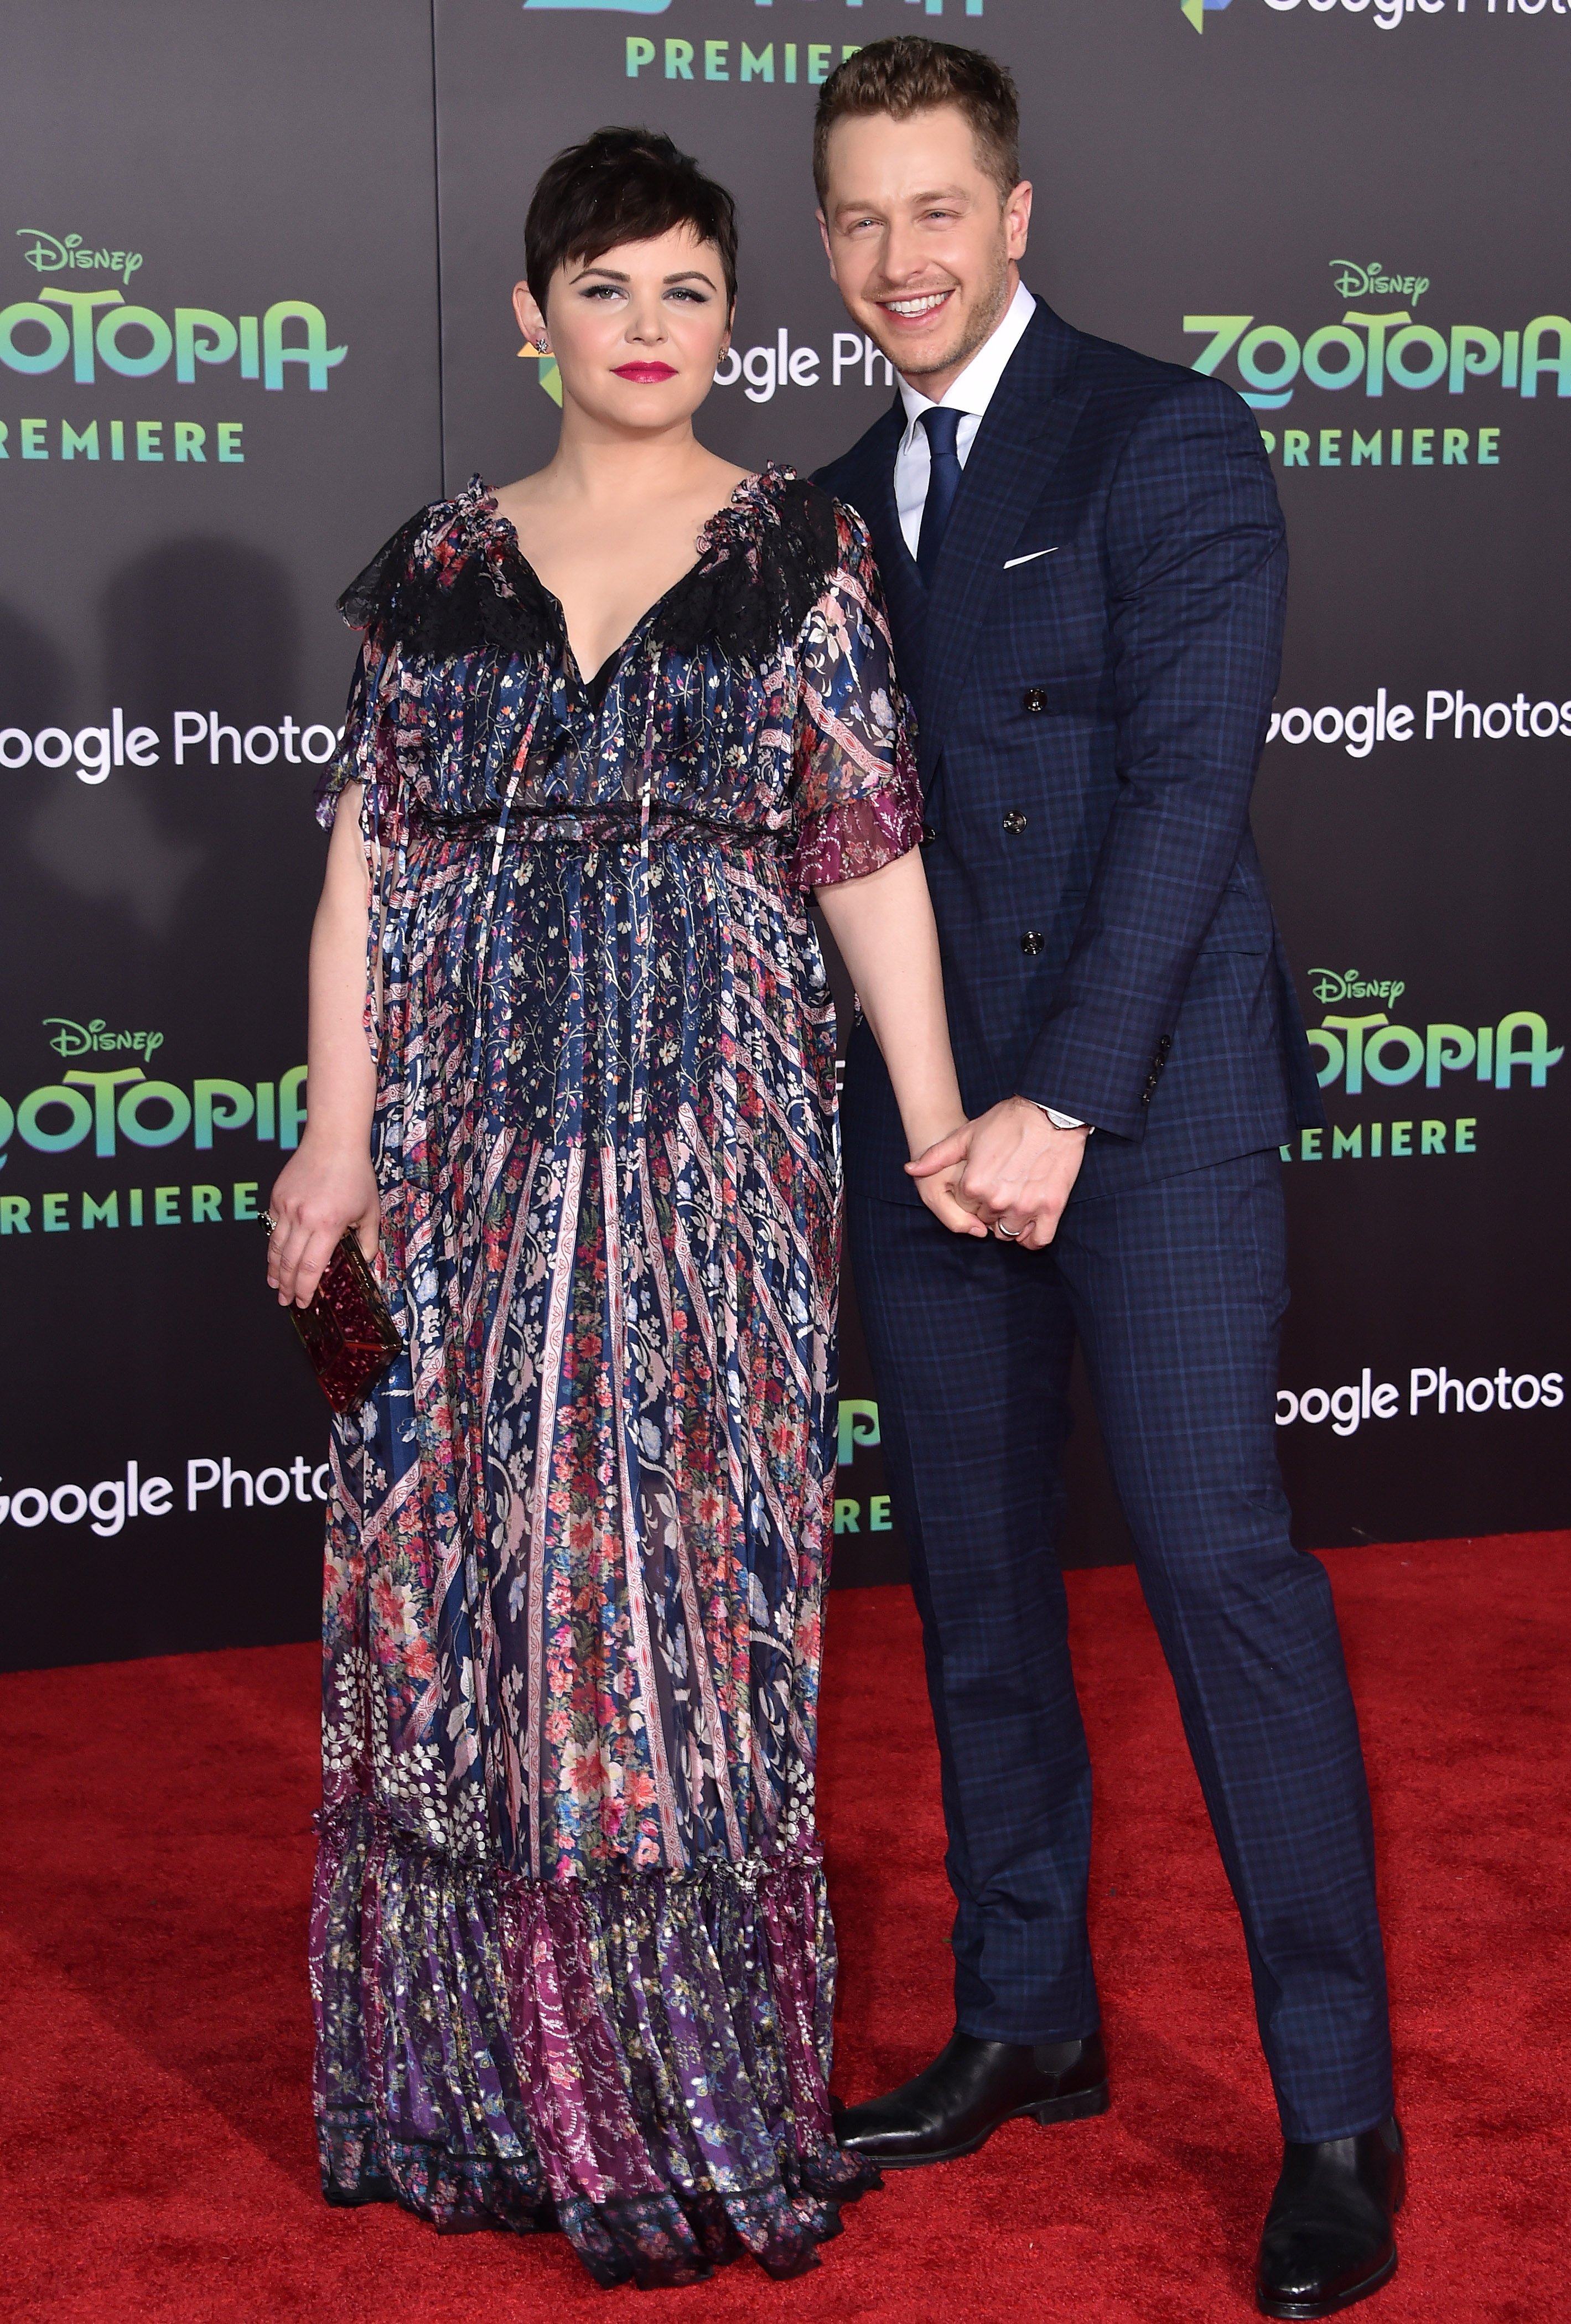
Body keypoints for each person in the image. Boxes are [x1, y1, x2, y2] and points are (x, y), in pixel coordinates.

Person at [265, 126, 981, 2291]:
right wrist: (330, 1139)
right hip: (462, 1177)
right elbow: (364, 881)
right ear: (530, 316)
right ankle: (478, 2104)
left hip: (713, 1183)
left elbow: (864, 860)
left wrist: (937, 1129)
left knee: (680, 1641)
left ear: (726, 319)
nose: (650, 330)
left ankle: (681, 2108)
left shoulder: (804, 560)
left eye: (687, 292)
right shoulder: (437, 573)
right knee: (464, 1622)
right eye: (609, 290)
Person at [811, 40, 1403, 2320]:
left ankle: (1335, 2112)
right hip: (927, 1127)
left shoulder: (1167, 436)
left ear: (1018, 212)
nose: (898, 262)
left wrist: (1055, 1102)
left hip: (1135, 1118)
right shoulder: (836, 500)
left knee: (1218, 1569)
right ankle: (1026, 2015)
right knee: (972, 1591)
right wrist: (935, 1106)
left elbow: (1182, 791)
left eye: (935, 212)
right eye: (857, 221)